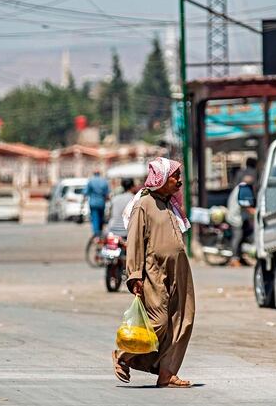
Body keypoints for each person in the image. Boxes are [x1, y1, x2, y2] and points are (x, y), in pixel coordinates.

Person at [112, 158, 195, 388]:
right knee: (158, 322)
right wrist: (135, 274)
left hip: (178, 269)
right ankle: (122, 355)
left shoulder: (170, 203)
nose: (179, 181)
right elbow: (136, 241)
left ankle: (167, 372)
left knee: (182, 320)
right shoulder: (144, 205)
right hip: (153, 271)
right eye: (175, 177)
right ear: (161, 179)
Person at [226, 174, 256, 267]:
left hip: (239, 217)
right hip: (236, 218)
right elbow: (245, 204)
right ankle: (234, 259)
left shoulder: (240, 187)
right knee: (237, 238)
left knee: (243, 236)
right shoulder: (244, 188)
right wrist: (255, 212)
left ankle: (240, 257)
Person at [83, 170, 110, 239]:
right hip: (101, 202)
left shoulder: (91, 181)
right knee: (101, 218)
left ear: (94, 174)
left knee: (95, 218)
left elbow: (86, 192)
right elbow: (107, 194)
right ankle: (100, 232)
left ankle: (96, 234)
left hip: (93, 202)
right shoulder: (104, 181)